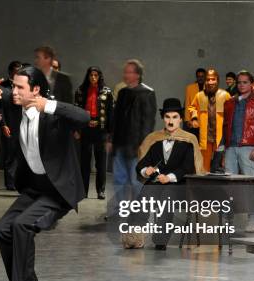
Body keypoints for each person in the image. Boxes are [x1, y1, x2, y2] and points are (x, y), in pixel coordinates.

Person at [0, 66, 89, 281]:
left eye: (20, 87)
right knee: (3, 230)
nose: (14, 91)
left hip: (58, 190)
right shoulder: (17, 100)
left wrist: (48, 106)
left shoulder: (53, 115)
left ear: (36, 90)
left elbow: (84, 117)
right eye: (14, 85)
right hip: (35, 188)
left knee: (22, 226)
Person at [129, 98, 203, 250]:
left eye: (175, 117)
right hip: (156, 182)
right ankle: (133, 238)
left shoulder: (189, 140)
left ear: (181, 119)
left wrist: (168, 177)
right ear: (163, 118)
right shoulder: (154, 139)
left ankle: (160, 240)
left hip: (179, 184)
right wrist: (146, 170)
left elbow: (188, 167)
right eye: (167, 117)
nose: (171, 121)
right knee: (144, 197)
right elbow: (142, 163)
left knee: (166, 199)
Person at [221, 71, 254, 232]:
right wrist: (223, 151)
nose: (241, 85)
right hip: (231, 149)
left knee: (251, 186)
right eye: (239, 82)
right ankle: (227, 217)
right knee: (229, 187)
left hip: (249, 149)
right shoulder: (229, 103)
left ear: (252, 84)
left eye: (245, 82)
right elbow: (225, 128)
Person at [110, 59, 157, 210]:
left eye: (129, 72)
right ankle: (121, 208)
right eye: (125, 71)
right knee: (119, 179)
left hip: (136, 146)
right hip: (120, 144)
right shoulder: (123, 93)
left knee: (136, 180)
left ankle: (139, 210)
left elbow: (148, 122)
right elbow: (116, 119)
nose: (125, 74)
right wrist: (111, 140)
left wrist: (143, 145)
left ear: (137, 75)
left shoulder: (147, 93)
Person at [74, 66, 113, 199]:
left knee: (101, 162)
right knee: (84, 161)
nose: (93, 78)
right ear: (88, 76)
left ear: (99, 76)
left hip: (100, 130)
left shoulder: (107, 92)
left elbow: (110, 113)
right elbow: (76, 111)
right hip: (85, 128)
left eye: (96, 75)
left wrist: (109, 133)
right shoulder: (80, 90)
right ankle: (83, 190)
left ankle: (100, 190)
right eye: (91, 75)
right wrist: (77, 129)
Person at [187, 68, 231, 172]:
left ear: (217, 80)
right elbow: (192, 107)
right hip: (205, 136)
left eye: (213, 79)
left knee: (220, 164)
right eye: (208, 79)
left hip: (220, 137)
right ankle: (203, 185)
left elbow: (232, 112)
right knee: (203, 164)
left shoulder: (225, 95)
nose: (210, 82)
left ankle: (219, 187)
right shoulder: (199, 95)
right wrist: (194, 118)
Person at [0, 61, 22, 190]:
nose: (19, 73)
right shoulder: (3, 86)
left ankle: (21, 182)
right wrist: (3, 124)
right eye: (16, 71)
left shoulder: (25, 85)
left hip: (23, 123)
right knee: (10, 154)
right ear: (10, 72)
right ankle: (11, 183)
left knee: (22, 154)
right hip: (9, 123)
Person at [184, 68, 206, 137]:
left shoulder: (210, 88)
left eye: (202, 76)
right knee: (193, 142)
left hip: (206, 121)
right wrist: (187, 120)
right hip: (193, 121)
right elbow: (188, 104)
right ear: (196, 77)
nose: (200, 78)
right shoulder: (190, 88)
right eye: (199, 76)